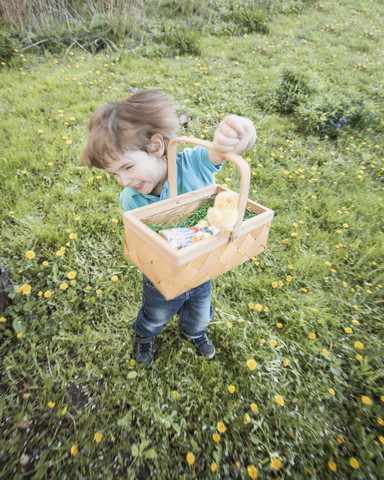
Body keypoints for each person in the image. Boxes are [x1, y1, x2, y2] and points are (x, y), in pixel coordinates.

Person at [81, 88, 256, 366]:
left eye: (127, 167)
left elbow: (223, 151)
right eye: (114, 174)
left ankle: (194, 332)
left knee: (199, 311)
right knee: (156, 313)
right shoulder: (131, 198)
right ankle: (144, 335)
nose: (122, 181)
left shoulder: (194, 164)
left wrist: (238, 135)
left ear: (156, 146)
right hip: (160, 271)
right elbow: (144, 240)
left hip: (201, 265)